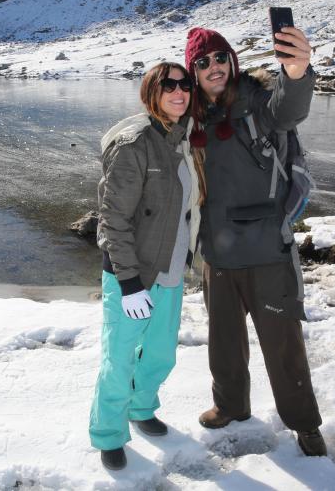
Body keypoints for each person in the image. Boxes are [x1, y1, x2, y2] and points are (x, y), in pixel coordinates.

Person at [183, 26, 327, 456]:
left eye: (221, 58)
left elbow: (290, 108)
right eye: (204, 62)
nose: (215, 67)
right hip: (217, 254)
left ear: (233, 61)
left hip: (267, 250)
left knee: (283, 345)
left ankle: (304, 424)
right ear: (193, 71)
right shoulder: (190, 116)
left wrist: (298, 71)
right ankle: (230, 406)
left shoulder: (258, 103)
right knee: (224, 342)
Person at [89, 62, 206, 471]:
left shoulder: (186, 138)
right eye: (168, 85)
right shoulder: (134, 142)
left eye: (185, 85)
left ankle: (141, 409)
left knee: (159, 354)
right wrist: (128, 283)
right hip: (133, 275)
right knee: (119, 359)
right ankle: (108, 432)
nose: (179, 92)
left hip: (171, 271)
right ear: (150, 93)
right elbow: (112, 220)